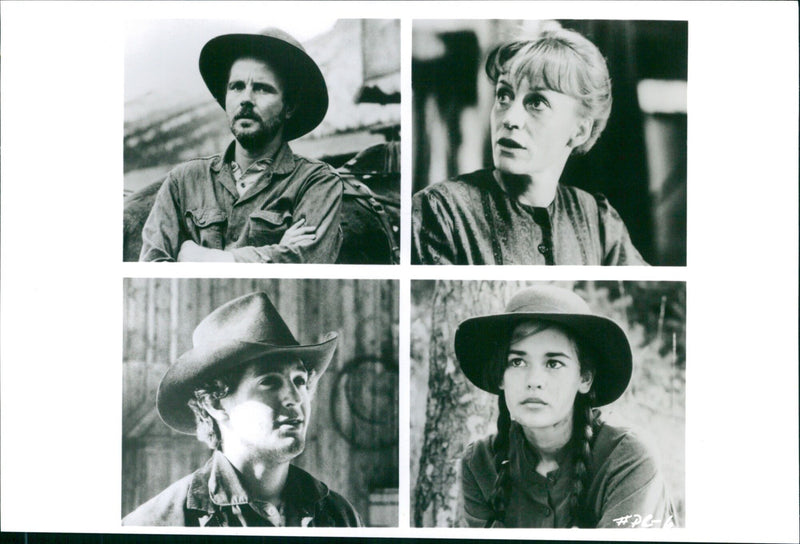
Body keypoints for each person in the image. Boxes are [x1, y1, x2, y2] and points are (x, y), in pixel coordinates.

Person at [123, 292, 362, 527]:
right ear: (215, 402)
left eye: (299, 381)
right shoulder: (158, 523)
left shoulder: (338, 516)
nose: (295, 398)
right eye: (269, 382)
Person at [412, 27, 646, 265]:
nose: (509, 119)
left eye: (536, 102)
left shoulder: (598, 222)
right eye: (504, 95)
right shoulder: (441, 212)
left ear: (580, 130)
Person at [453, 285, 675, 528]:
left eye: (554, 363)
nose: (534, 381)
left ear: (584, 379)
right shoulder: (479, 462)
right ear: (500, 377)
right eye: (517, 361)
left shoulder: (627, 457)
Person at [139, 28, 343, 262]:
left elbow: (307, 260)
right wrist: (274, 253)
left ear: (290, 107)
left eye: (262, 88)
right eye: (236, 87)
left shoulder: (316, 183)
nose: (246, 98)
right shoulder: (183, 181)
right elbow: (153, 264)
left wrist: (203, 258)